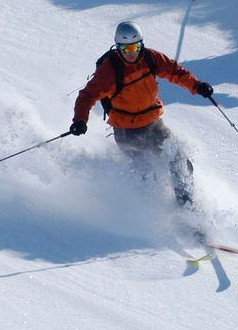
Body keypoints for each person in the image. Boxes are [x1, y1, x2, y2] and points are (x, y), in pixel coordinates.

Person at [69, 21, 214, 207]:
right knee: (146, 173)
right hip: (127, 132)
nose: (131, 52)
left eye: (135, 47)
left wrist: (197, 85)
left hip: (154, 125)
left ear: (141, 44)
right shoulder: (110, 70)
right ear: (118, 47)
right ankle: (150, 213)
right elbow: (87, 96)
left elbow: (175, 71)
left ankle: (186, 205)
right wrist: (80, 120)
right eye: (126, 48)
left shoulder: (150, 58)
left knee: (179, 161)